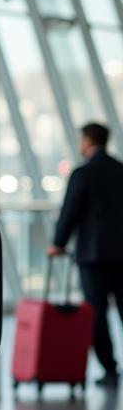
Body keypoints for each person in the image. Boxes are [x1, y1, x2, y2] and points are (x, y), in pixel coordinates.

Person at [48, 122, 123, 387]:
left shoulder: (83, 173)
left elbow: (70, 211)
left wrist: (58, 242)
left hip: (93, 256)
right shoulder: (120, 170)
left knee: (97, 312)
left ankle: (110, 369)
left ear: (87, 141)